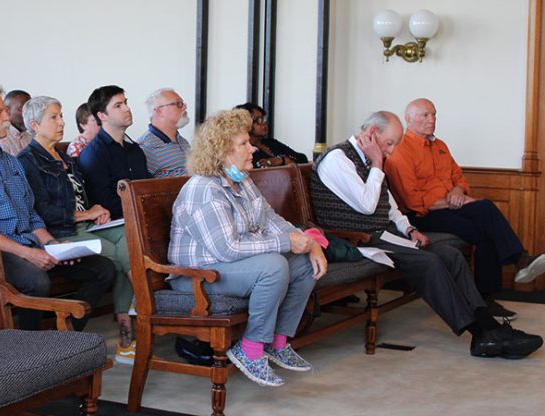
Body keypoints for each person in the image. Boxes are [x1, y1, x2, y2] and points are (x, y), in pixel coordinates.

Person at [311, 111, 542, 359]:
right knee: (430, 262)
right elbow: (366, 205)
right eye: (389, 144)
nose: (390, 151)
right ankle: (481, 334)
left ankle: (489, 327)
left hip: (384, 235)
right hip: (359, 241)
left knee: (451, 255)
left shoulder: (369, 159)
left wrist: (409, 229)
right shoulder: (338, 159)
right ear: (372, 134)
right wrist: (378, 163)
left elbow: (388, 207)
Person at [169, 108, 326, 387]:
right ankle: (250, 349)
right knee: (273, 266)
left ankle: (276, 343)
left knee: (301, 264)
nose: (253, 148)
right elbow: (227, 249)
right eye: (243, 144)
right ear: (221, 152)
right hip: (196, 275)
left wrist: (309, 243)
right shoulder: (205, 188)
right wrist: (285, 242)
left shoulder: (242, 180)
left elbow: (272, 220)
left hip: (226, 267)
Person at [0, 82, 114, 331]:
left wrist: (51, 245)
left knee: (103, 269)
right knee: (36, 281)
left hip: (30, 242)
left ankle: (64, 332)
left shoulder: (10, 161)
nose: (8, 116)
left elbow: (31, 214)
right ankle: (31, 349)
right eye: (0, 111)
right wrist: (28, 253)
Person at [384, 98, 545, 317]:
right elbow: (414, 202)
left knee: (485, 229)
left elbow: (458, 177)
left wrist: (458, 192)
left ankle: (488, 295)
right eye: (425, 115)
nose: (432, 120)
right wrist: (454, 202)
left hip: (449, 206)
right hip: (421, 216)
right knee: (485, 210)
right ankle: (519, 261)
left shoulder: (440, 146)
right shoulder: (400, 152)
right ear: (408, 119)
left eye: (434, 114)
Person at [16, 96, 136, 363]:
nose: (61, 122)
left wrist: (97, 208)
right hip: (62, 230)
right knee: (110, 258)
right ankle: (75, 332)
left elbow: (80, 194)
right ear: (35, 125)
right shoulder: (28, 161)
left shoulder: (63, 154)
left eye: (61, 116)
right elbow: (42, 210)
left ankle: (129, 328)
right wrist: (86, 213)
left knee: (131, 241)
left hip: (87, 224)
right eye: (54, 117)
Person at [77, 85, 151, 219]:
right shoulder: (93, 154)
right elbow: (103, 202)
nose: (127, 108)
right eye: (118, 106)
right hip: (115, 221)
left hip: (143, 215)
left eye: (126, 103)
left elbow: (146, 185)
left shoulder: (134, 149)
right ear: (102, 115)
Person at [137, 88, 192, 177]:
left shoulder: (183, 142)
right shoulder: (147, 146)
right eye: (178, 104)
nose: (185, 107)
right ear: (159, 111)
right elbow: (142, 187)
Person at [234, 103, 308, 168]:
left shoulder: (271, 142)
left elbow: (302, 158)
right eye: (259, 120)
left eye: (264, 119)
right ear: (247, 124)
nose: (264, 123)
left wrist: (281, 160)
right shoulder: (243, 149)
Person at [0, 89, 31, 155]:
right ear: (7, 111)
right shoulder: (1, 139)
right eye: (23, 109)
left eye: (30, 109)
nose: (29, 114)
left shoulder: (29, 138)